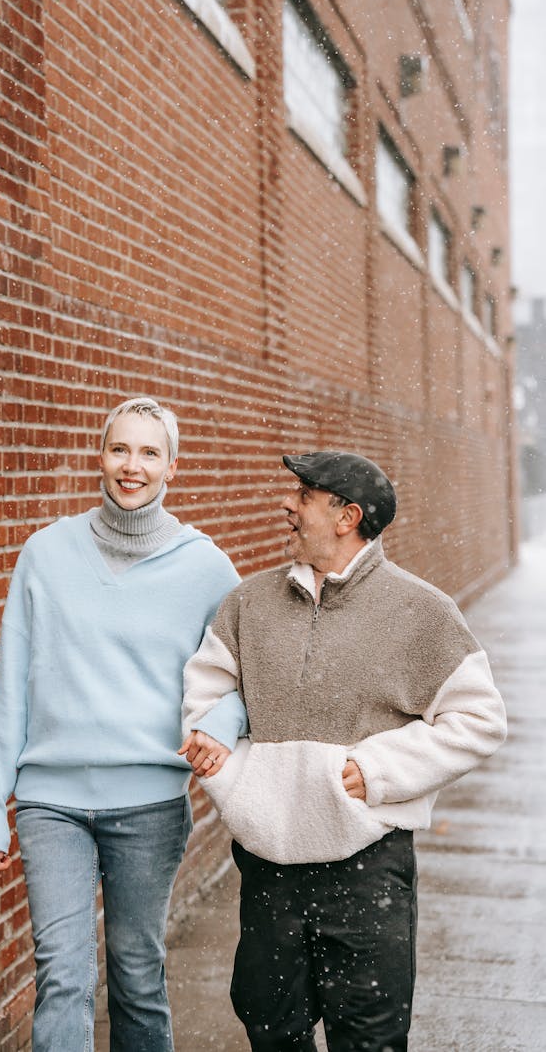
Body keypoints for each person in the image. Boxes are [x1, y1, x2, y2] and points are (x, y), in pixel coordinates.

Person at [179, 450, 507, 1052]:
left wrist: (376, 770)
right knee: (270, 1026)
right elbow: (208, 690)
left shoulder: (420, 611)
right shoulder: (249, 604)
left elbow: (480, 718)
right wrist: (238, 782)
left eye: (303, 495)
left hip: (367, 868)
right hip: (269, 870)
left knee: (369, 1037)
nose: (287, 504)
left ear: (346, 516)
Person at [0, 396, 240, 1052]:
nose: (132, 465)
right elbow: (10, 683)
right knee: (62, 975)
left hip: (149, 803)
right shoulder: (45, 553)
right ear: (101, 455)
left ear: (171, 467)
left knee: (135, 976)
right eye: (120, 448)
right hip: (50, 802)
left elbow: (241, 670)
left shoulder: (204, 565)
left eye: (149, 452)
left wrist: (222, 726)